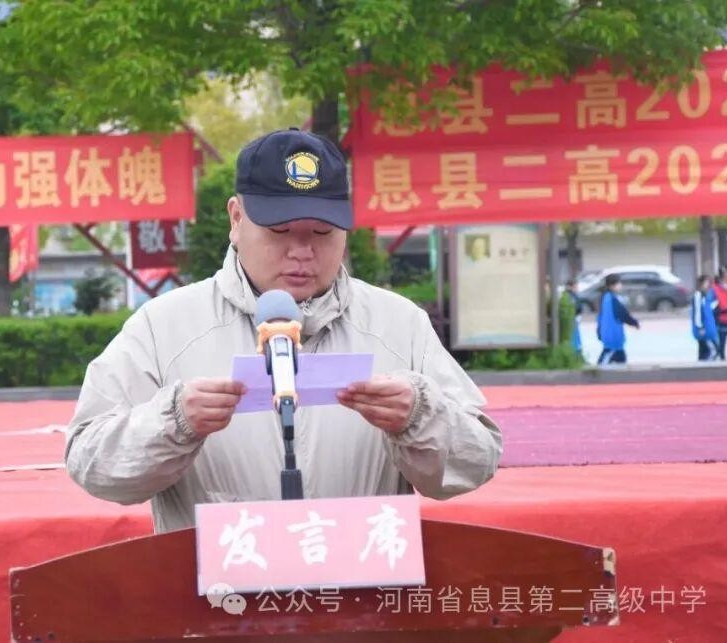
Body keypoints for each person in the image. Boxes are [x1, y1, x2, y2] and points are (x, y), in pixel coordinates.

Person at [65, 128, 502, 533]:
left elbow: (477, 459)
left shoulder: (399, 324)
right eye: (279, 231)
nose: (302, 251)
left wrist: (420, 418)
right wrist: (173, 423)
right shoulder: (164, 326)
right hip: (221, 586)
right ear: (236, 219)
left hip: (363, 585)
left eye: (322, 232)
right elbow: (92, 464)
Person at [595, 273, 640, 365]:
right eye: (619, 283)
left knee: (619, 357)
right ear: (612, 285)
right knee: (607, 358)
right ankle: (597, 372)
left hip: (609, 334)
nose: (621, 285)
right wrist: (634, 322)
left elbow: (600, 317)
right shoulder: (612, 299)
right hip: (613, 335)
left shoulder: (604, 297)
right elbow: (623, 314)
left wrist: (599, 330)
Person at [691, 275, 719, 361]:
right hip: (704, 329)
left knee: (704, 351)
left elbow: (709, 309)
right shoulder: (698, 295)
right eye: (706, 282)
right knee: (714, 350)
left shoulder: (706, 295)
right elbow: (697, 312)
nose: (708, 284)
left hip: (708, 328)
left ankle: (702, 366)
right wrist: (700, 327)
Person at [562, 279, 583, 358]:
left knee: (575, 339)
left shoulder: (571, 295)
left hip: (574, 320)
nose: (577, 288)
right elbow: (577, 307)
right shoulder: (569, 296)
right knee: (574, 339)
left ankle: (577, 354)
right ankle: (575, 355)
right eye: (575, 287)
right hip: (571, 320)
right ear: (570, 287)